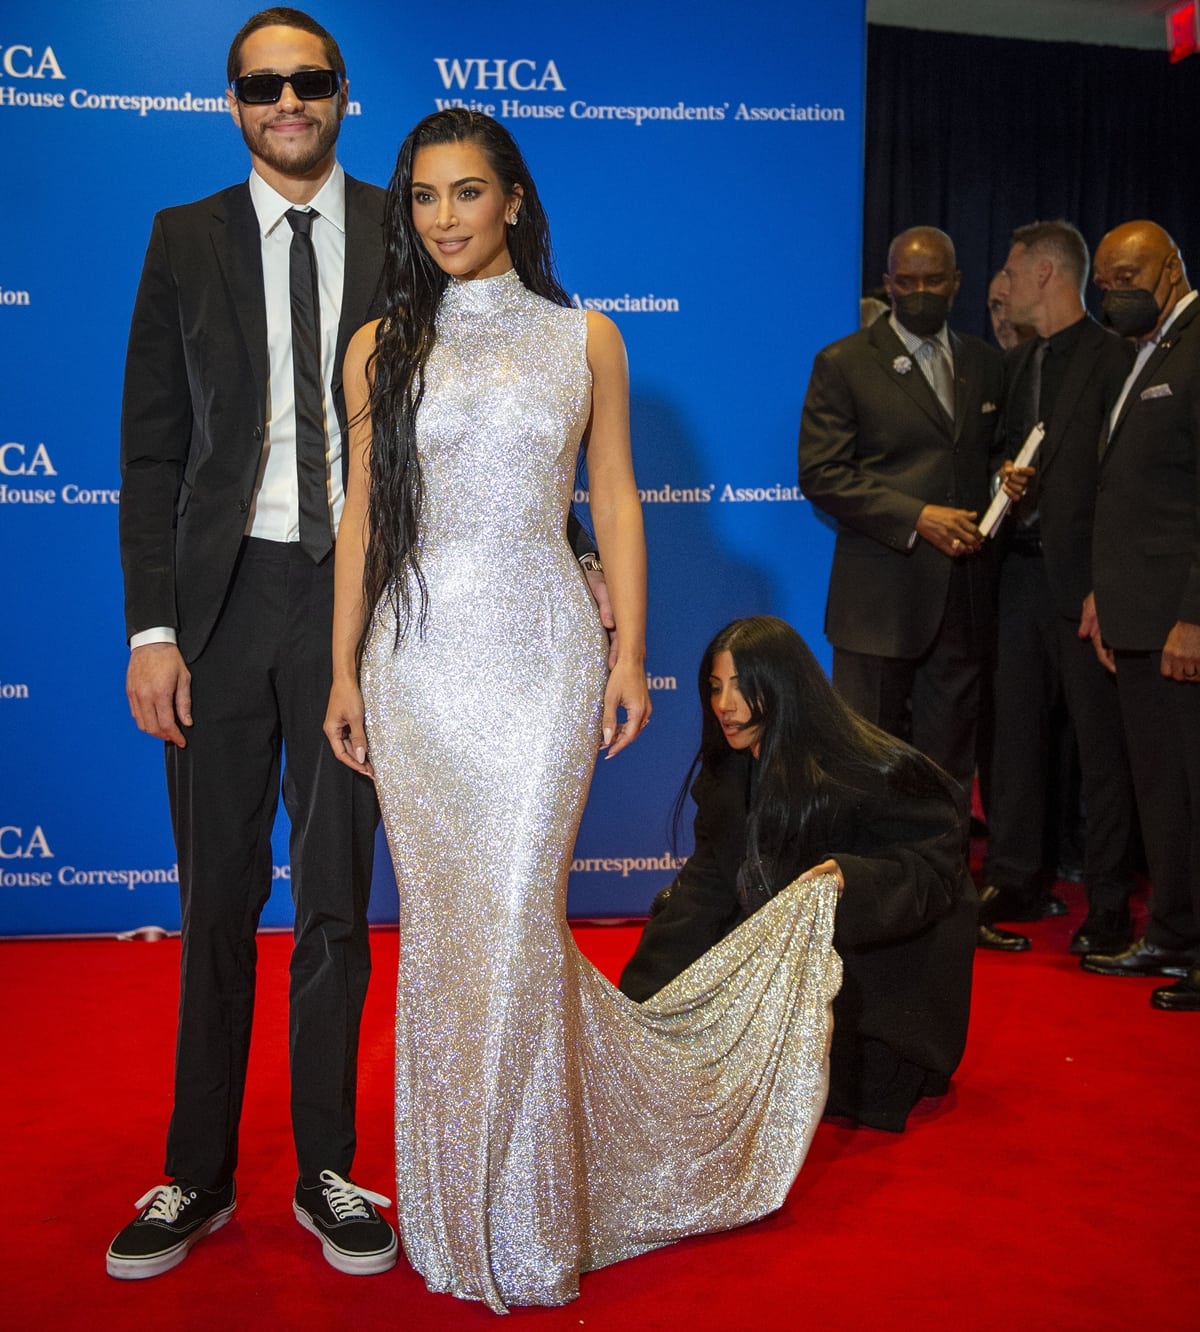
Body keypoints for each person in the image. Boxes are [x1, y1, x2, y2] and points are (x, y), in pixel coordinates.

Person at [323, 109, 842, 1312]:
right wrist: (344, 671)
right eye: (424, 199)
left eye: (468, 193)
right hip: (415, 664)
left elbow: (613, 496)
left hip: (544, 655)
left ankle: (527, 1208)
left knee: (514, 917)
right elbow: (362, 525)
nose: (445, 218)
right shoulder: (376, 348)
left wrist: (632, 654)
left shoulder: (585, 338)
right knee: (456, 941)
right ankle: (466, 1202)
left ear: (514, 199)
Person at [108, 8, 399, 1279]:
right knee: (215, 898)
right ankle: (197, 1173)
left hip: (355, 603)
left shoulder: (409, 229)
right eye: (262, 85)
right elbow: (153, 445)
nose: (288, 101)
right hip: (221, 611)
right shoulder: (184, 238)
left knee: (336, 895)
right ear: (232, 104)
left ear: (343, 94)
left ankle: (327, 1168)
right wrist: (154, 625)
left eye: (310, 80)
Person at [619, 616, 976, 1133]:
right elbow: (700, 900)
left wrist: (852, 880)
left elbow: (939, 871)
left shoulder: (863, 770)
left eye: (743, 688)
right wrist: (635, 1013)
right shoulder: (727, 779)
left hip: (882, 993)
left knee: (823, 1087)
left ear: (784, 688)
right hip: (795, 983)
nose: (725, 706)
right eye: (715, 689)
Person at [797, 225, 1027, 951]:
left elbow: (988, 459)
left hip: (961, 601)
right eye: (908, 282)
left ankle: (948, 912)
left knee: (949, 772)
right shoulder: (844, 362)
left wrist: (1008, 483)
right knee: (867, 766)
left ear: (958, 283)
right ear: (888, 283)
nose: (922, 294)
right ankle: (866, 916)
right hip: (876, 607)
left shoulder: (989, 366)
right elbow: (823, 473)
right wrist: (917, 517)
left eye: (936, 282)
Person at [981, 221, 1138, 955]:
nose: (1002, 287)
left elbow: (1129, 482)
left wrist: (1111, 585)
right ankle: (1016, 877)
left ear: (1046, 273)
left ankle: (1107, 900)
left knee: (1102, 751)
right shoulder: (1012, 367)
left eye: (1011, 272)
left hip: (1086, 585)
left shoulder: (1116, 361)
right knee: (1014, 738)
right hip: (1016, 576)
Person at [1082, 220, 1200, 1011]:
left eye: (1128, 276)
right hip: (1132, 616)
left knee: (1190, 788)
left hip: (1177, 624)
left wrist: (1193, 615)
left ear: (1172, 268)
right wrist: (1101, 592)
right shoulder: (1150, 350)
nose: (1113, 292)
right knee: (1162, 789)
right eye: (1103, 280)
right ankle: (1174, 933)